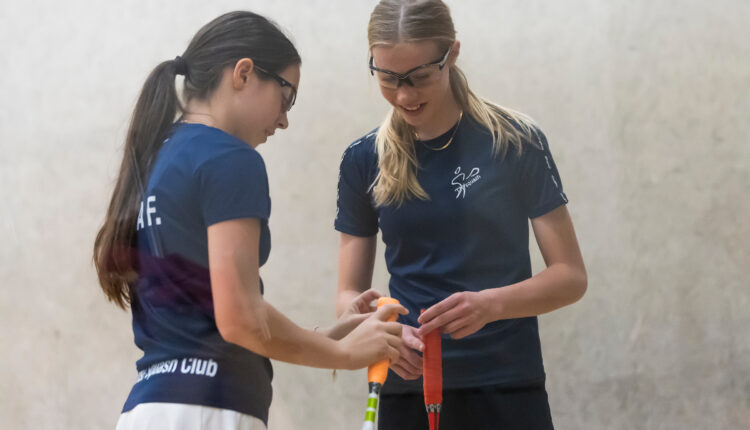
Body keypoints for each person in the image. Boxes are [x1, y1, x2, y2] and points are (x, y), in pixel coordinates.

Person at [93, 11, 406, 430]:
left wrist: (327, 338)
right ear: (243, 73)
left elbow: (228, 301)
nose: (284, 119)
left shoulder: (159, 156)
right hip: (211, 410)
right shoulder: (230, 158)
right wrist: (346, 356)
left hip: (150, 409)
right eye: (286, 96)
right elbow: (239, 317)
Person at [334, 1, 588, 429]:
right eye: (387, 78)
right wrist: (375, 327)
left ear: (451, 54)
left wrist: (491, 305)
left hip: (506, 385)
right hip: (407, 385)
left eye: (418, 78)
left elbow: (570, 276)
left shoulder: (514, 141)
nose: (404, 95)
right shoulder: (363, 159)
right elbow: (347, 296)